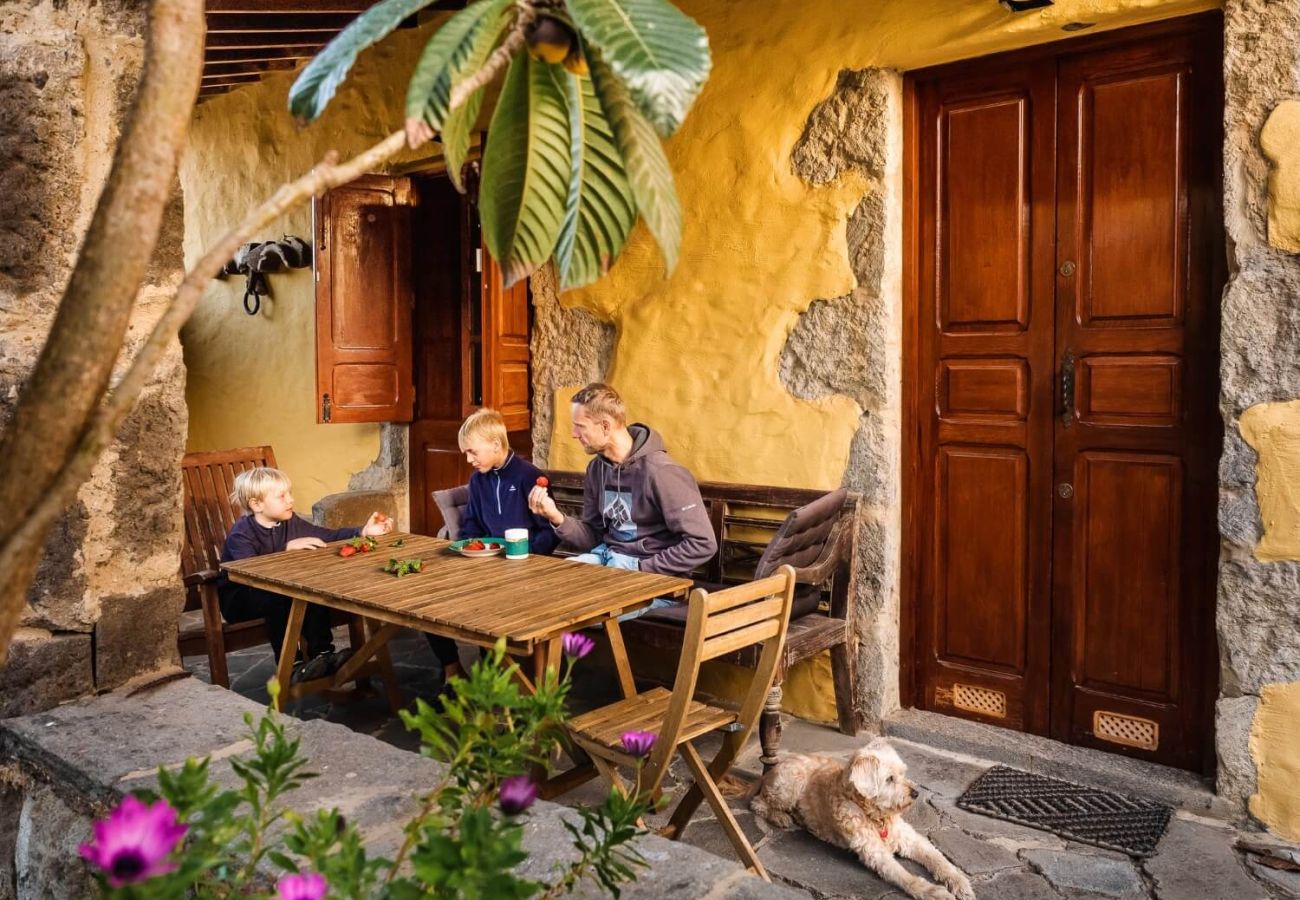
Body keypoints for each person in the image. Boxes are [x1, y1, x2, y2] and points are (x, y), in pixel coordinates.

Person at [528, 383, 716, 615]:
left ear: (605, 426)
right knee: (539, 590)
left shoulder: (662, 473)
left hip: (653, 581)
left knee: (574, 611)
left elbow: (703, 543)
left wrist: (641, 567)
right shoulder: (597, 469)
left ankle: (571, 650)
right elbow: (593, 536)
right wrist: (555, 517)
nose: (574, 434)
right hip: (607, 562)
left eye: (580, 426)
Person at [218, 466, 392, 683]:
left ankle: (322, 655)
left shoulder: (291, 522)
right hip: (242, 599)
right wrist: (285, 549)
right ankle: (291, 666)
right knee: (278, 596)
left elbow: (327, 535)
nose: (290, 499)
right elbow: (250, 572)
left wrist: (363, 532)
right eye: (282, 496)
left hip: (279, 593)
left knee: (311, 589)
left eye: (289, 493)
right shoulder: (242, 534)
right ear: (257, 504)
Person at [430, 408, 561, 681]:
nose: (468, 460)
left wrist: (525, 554)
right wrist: (468, 546)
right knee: (428, 601)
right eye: (465, 453)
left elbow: (549, 533)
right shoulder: (478, 480)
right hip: (487, 567)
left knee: (487, 609)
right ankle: (452, 672)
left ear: (496, 445)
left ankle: (499, 677)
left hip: (527, 569)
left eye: (472, 452)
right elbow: (473, 525)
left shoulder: (528, 477)